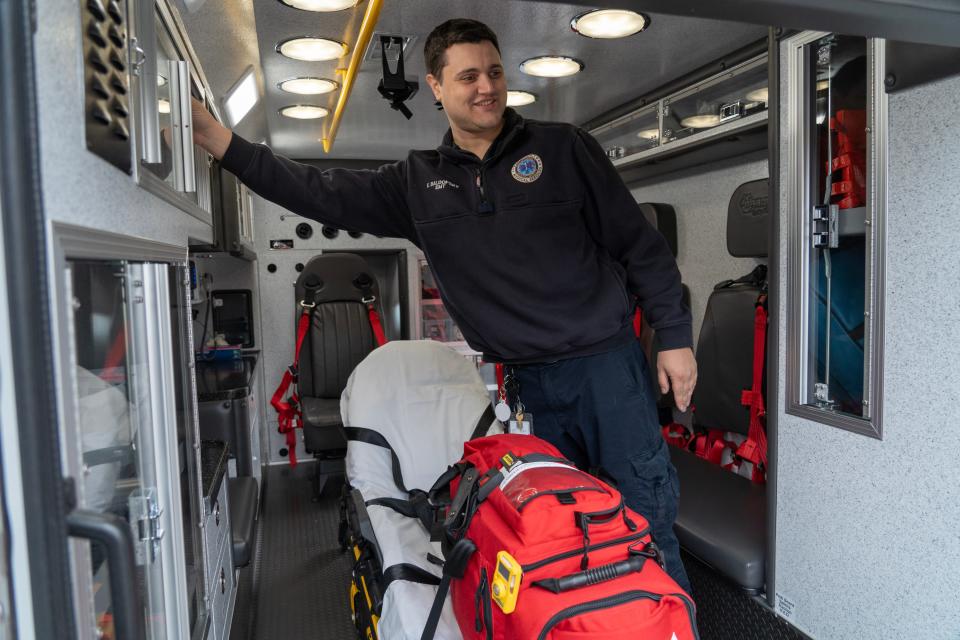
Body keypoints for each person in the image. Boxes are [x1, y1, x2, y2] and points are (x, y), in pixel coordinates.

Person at [191, 18, 696, 592]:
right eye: (469, 76)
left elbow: (640, 245)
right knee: (556, 534)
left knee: (647, 519)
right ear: (435, 85)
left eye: (495, 72)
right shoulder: (416, 183)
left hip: (606, 368)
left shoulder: (564, 148)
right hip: (528, 386)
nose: (487, 87)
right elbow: (314, 187)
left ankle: (669, 621)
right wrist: (219, 142)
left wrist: (674, 337)